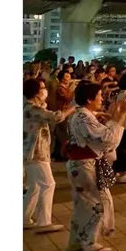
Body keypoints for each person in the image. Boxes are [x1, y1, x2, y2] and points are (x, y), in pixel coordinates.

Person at [64, 82, 126, 251]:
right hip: (84, 166)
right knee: (96, 204)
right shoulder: (84, 118)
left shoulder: (83, 116)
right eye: (99, 95)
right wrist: (120, 115)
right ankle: (88, 242)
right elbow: (109, 139)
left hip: (81, 165)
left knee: (83, 205)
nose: (102, 98)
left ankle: (76, 242)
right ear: (89, 99)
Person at [23, 78, 75, 233]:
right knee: (48, 184)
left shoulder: (31, 107)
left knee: (35, 186)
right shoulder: (32, 108)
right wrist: (71, 109)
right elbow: (56, 117)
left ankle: (24, 218)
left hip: (32, 152)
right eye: (42, 88)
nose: (45, 90)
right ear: (35, 92)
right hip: (36, 152)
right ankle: (44, 222)